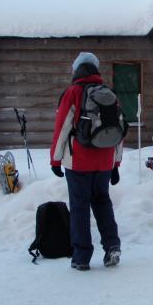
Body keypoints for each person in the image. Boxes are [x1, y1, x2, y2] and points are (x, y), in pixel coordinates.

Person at [50, 52, 122, 271]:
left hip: (79, 162)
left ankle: (81, 257)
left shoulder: (72, 93)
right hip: (104, 161)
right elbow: (119, 130)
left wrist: (56, 160)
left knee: (80, 207)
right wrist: (116, 164)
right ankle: (112, 246)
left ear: (77, 70)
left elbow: (62, 127)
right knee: (103, 203)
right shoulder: (109, 94)